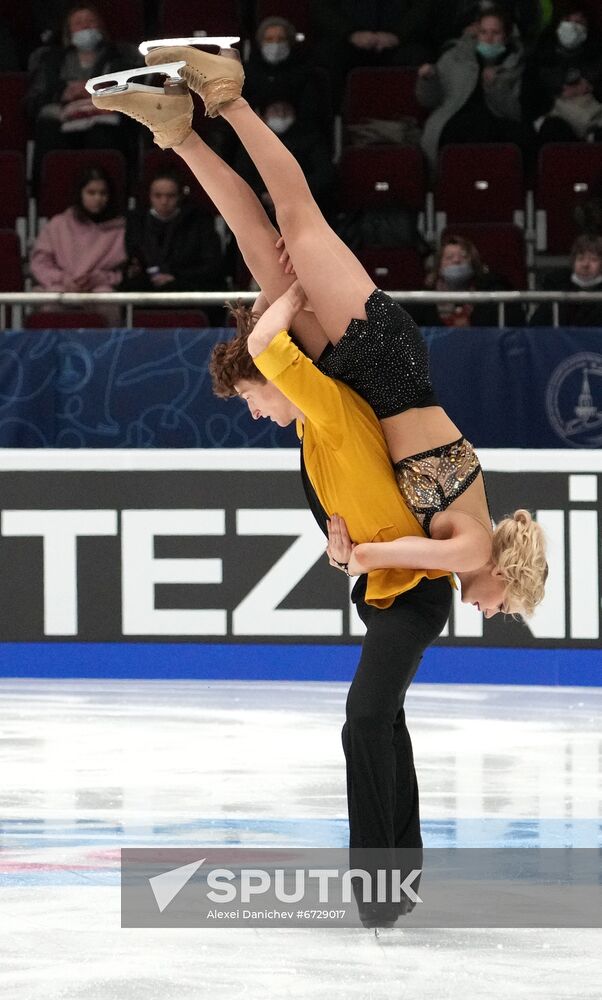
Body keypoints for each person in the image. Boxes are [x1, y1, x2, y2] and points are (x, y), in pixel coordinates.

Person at [90, 44, 547, 921]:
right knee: (295, 222)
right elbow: (406, 547)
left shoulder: (472, 541)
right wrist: (357, 551)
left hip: (368, 382)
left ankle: (180, 133)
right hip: (387, 361)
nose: (493, 610)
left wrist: (353, 551)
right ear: (503, 574)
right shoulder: (474, 544)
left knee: (262, 248)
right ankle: (228, 95)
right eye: (504, 604)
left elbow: (398, 543)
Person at [26, 3, 141, 187]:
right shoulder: (51, 60)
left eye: (90, 21)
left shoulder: (119, 57)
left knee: (103, 135)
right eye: (79, 23)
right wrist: (63, 93)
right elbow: (33, 101)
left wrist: (97, 92)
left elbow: (132, 93)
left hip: (102, 118)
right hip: (61, 118)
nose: (85, 26)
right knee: (48, 132)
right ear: (69, 32)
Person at [416, 6, 532, 172]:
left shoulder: (516, 65)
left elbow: (516, 112)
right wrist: (428, 80)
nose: (489, 38)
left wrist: (493, 87)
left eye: (495, 33)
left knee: (514, 136)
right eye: (484, 32)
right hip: (455, 120)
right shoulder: (455, 57)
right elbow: (429, 100)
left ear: (506, 36)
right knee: (468, 128)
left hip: (499, 125)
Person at [30, 164, 125, 319]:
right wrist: (63, 279)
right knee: (49, 299)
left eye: (103, 193)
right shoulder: (58, 224)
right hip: (59, 286)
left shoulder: (120, 229)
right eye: (91, 192)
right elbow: (40, 262)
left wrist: (101, 278)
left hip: (99, 288)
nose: (98, 198)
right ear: (80, 194)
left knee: (107, 298)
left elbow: (125, 271)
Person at [120, 167, 225, 295]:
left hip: (190, 289)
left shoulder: (199, 222)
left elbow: (211, 266)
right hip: (146, 289)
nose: (164, 201)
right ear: (149, 196)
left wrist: (176, 278)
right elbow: (132, 260)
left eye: (170, 196)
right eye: (158, 196)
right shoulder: (137, 223)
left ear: (180, 196)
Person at [233, 100, 336, 220]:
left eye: (286, 110)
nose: (281, 115)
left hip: (307, 207)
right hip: (260, 208)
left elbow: (325, 174)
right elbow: (242, 178)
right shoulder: (250, 143)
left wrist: (293, 194)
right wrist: (263, 195)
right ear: (262, 116)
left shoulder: (310, 139)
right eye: (276, 110)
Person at [412, 234, 525, 327]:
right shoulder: (423, 301)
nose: (456, 260)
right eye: (449, 257)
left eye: (463, 256)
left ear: (473, 263)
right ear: (439, 267)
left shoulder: (494, 294)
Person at [530, 233, 602, 326]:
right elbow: (536, 328)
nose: (585, 265)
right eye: (580, 259)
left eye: (593, 259)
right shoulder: (556, 288)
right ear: (573, 261)